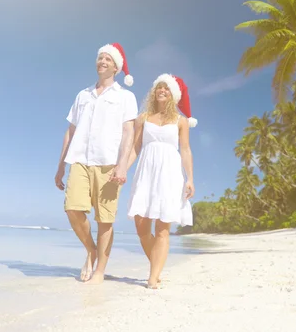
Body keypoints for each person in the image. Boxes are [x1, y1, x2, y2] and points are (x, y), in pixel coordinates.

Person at [54, 42, 138, 285]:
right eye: (100, 57)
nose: (102, 61)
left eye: (108, 59)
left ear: (116, 67)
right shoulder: (83, 95)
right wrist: (60, 165)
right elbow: (70, 131)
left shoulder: (126, 97)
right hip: (79, 159)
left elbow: (128, 132)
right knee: (72, 209)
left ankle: (100, 270)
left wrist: (122, 165)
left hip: (108, 162)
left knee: (105, 219)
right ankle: (91, 250)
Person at [126, 73, 197, 289]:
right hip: (146, 172)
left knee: (162, 228)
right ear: (154, 91)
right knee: (141, 226)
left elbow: (185, 150)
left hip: (169, 173)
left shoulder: (181, 121)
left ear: (174, 95)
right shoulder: (144, 117)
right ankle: (157, 265)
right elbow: (136, 147)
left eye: (166, 88)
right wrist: (122, 170)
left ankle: (152, 276)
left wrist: (190, 179)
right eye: (159, 87)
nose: (162, 91)